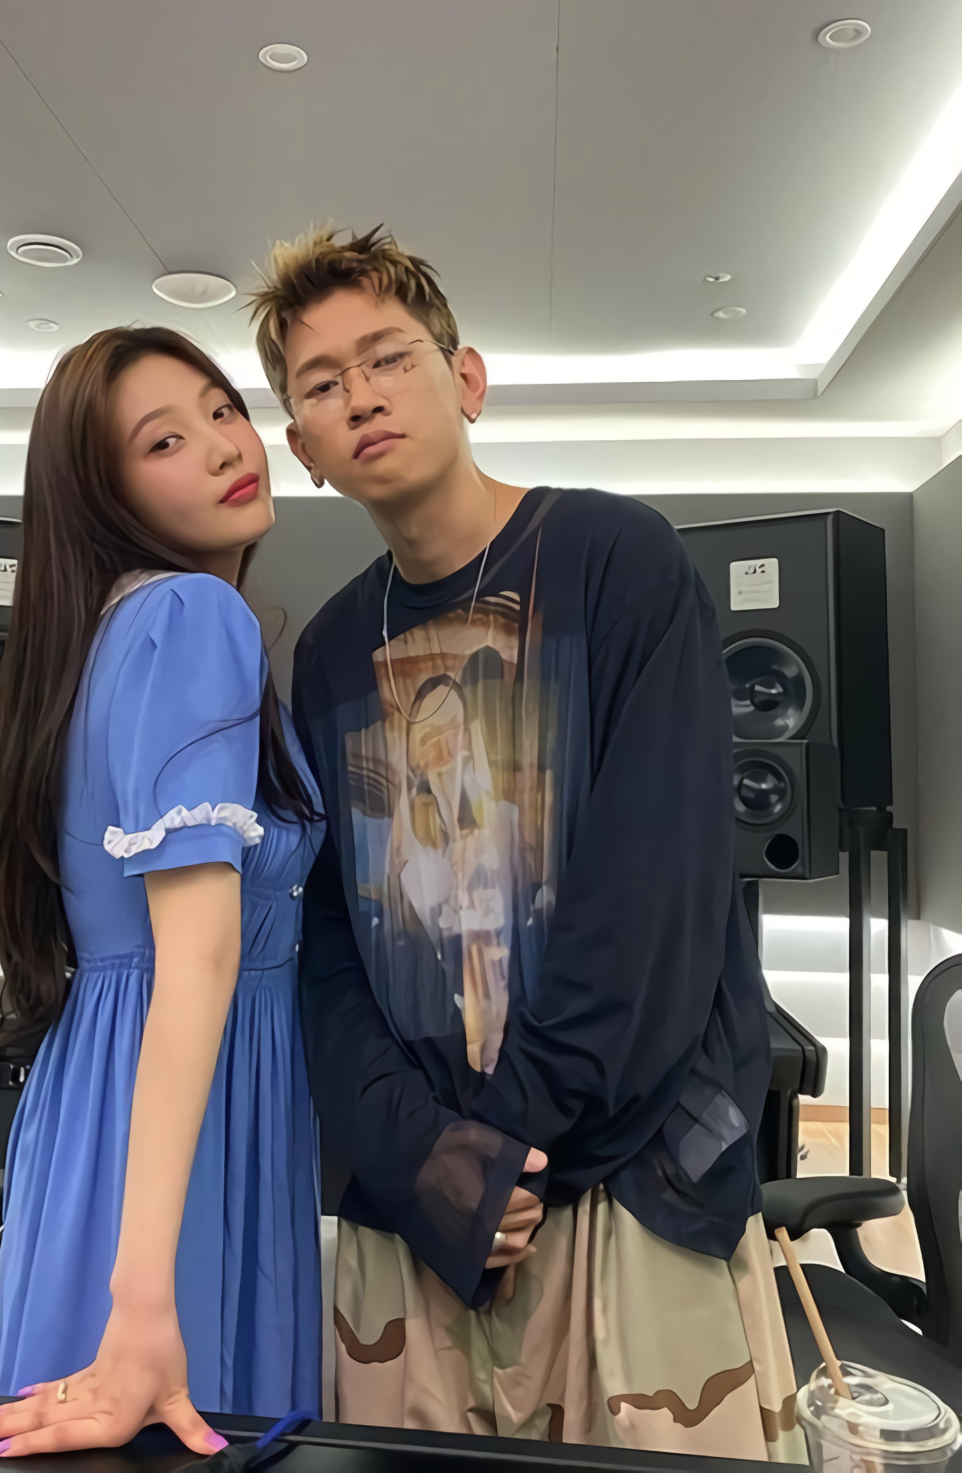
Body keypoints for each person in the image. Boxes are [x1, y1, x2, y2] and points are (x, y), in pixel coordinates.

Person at [249, 227, 806, 1460]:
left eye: (387, 356)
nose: (361, 395)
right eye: (322, 383)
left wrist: (499, 1148)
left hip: (622, 1184)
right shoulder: (330, 651)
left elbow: (650, 905)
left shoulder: (619, 562)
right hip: (419, 1208)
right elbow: (331, 942)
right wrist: (423, 1157)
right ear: (304, 448)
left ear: (467, 378)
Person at [0, 327, 323, 1460]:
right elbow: (198, 953)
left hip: (104, 1105)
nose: (223, 445)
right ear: (102, 491)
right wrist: (144, 1295)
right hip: (185, 1121)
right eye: (163, 440)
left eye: (221, 409)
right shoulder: (190, 618)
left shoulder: (100, 632)